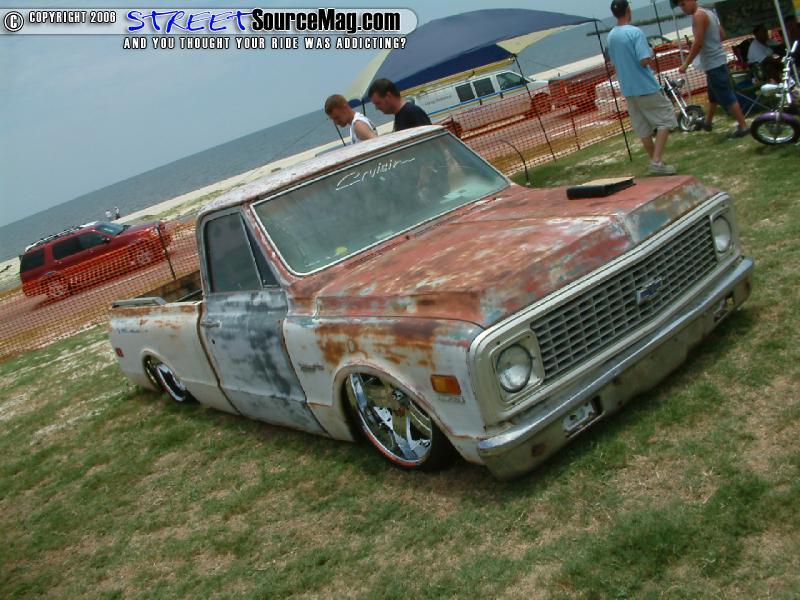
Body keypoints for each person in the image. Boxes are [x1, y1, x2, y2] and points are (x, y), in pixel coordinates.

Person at [607, 0, 677, 174]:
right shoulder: (635, 32)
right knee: (666, 118)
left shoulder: (611, 36)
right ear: (628, 9)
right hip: (645, 85)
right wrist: (650, 52)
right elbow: (644, 60)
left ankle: (655, 162)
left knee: (642, 127)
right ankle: (657, 162)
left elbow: (613, 61)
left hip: (628, 88)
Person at [677, 0, 749, 138]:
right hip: (718, 59)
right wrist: (712, 43)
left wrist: (686, 64)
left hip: (713, 63)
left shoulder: (698, 16)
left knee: (727, 96)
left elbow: (698, 43)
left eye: (683, 4)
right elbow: (722, 34)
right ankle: (707, 122)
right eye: (680, 6)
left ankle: (743, 126)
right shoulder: (709, 13)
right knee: (713, 96)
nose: (682, 8)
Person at [367, 79, 431, 131]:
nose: (376, 108)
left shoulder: (412, 112)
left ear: (388, 96)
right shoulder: (400, 115)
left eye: (378, 103)